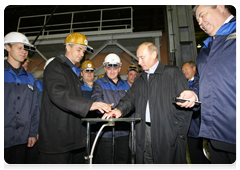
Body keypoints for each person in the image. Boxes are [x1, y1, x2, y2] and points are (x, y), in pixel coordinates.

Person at [102, 42, 193, 169]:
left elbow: (186, 104)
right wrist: (118, 110)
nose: (139, 62)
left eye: (142, 57)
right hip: (145, 131)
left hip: (167, 132)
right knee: (149, 163)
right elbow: (130, 99)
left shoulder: (172, 73)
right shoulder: (140, 79)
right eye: (138, 58)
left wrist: (178, 132)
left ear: (154, 54)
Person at [38, 32, 113, 169]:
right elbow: (58, 94)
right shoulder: (55, 66)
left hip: (69, 137)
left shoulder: (72, 71)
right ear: (68, 47)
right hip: (56, 139)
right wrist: (90, 104)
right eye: (79, 49)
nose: (82, 54)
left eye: (83, 51)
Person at [177, 5, 238, 169]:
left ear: (220, 6)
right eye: (197, 20)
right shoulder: (205, 50)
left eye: (202, 15)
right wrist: (194, 94)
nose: (200, 22)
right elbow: (200, 81)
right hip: (215, 134)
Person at [4, 32, 40, 168]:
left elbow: (34, 108)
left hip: (22, 139)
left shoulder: (30, 78)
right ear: (7, 47)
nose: (24, 52)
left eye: (25, 48)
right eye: (19, 47)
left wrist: (32, 132)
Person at [91, 53, 131, 169]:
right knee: (105, 163)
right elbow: (96, 97)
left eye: (115, 67)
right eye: (109, 67)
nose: (112, 71)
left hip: (124, 131)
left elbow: (131, 103)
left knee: (123, 163)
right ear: (105, 68)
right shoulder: (98, 84)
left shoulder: (126, 85)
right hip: (105, 133)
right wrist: (103, 106)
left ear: (119, 68)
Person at [25, 57, 55, 169]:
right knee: (35, 161)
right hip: (39, 131)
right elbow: (34, 109)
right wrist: (35, 130)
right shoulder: (37, 84)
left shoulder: (61, 87)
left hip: (55, 132)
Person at [182, 61, 211, 169]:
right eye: (182, 70)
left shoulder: (202, 81)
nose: (184, 71)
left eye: (186, 69)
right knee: (195, 158)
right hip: (191, 129)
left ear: (194, 68)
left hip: (204, 128)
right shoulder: (184, 84)